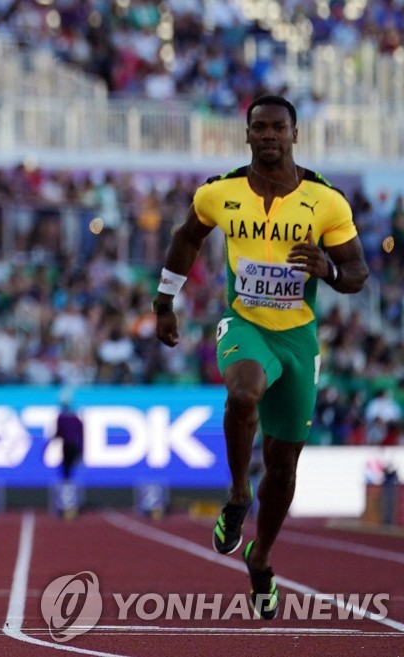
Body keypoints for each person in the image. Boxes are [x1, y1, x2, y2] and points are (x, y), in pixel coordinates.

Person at [153, 95, 368, 620]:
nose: (269, 135)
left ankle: (261, 558)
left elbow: (358, 272)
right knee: (243, 390)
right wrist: (164, 302)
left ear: (295, 135)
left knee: (285, 467)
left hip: (297, 339)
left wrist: (329, 272)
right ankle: (236, 493)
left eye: (278, 128)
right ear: (247, 135)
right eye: (259, 128)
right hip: (245, 324)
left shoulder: (327, 202)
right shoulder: (219, 193)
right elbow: (186, 239)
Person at [54, 398, 84, 482]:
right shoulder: (65, 419)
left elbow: (80, 436)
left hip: (71, 446)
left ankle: (68, 481)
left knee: (68, 466)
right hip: (69, 446)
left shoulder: (71, 419)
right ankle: (67, 482)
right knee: (67, 466)